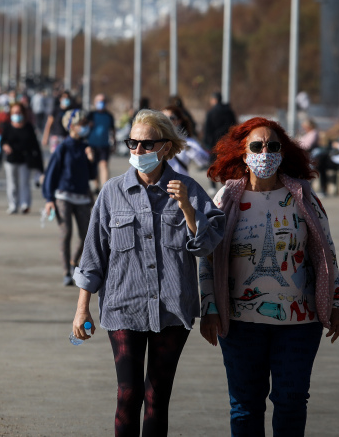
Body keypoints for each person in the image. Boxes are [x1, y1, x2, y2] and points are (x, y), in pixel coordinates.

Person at [71, 109, 225, 437]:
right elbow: (93, 254)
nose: (138, 151)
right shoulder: (112, 192)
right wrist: (82, 307)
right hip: (123, 307)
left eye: (146, 144)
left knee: (157, 396)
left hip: (172, 310)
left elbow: (208, 245)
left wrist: (187, 208)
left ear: (165, 147)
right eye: (133, 144)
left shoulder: (189, 189)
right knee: (128, 392)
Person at [199, 116, 339, 437]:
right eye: (257, 146)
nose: (265, 152)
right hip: (239, 324)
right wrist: (209, 308)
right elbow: (208, 260)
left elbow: (326, 253)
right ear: (242, 152)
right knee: (244, 406)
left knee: (292, 401)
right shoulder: (226, 199)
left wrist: (336, 303)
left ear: (284, 152)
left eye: (273, 146)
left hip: (299, 324)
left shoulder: (302, 196)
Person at [43, 109, 97, 286]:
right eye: (81, 125)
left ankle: (75, 262)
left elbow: (91, 175)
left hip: (82, 196)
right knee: (66, 233)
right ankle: (66, 271)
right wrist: (49, 199)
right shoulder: (63, 148)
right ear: (72, 126)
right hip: (63, 196)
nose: (84, 128)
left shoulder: (85, 147)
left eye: (85, 125)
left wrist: (91, 159)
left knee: (86, 236)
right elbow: (51, 174)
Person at [0, 102, 43, 214]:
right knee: (12, 184)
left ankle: (25, 204)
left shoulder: (28, 127)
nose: (16, 114)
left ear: (23, 113)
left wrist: (39, 165)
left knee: (24, 183)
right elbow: (2, 141)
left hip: (25, 160)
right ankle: (13, 205)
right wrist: (5, 146)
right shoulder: (8, 127)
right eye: (14, 112)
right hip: (11, 160)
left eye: (19, 112)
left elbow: (35, 146)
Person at [162, 105, 210, 176]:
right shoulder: (154, 140)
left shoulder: (187, 141)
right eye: (163, 118)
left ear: (179, 121)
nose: (167, 121)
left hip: (180, 184)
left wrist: (189, 149)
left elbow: (205, 160)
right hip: (159, 184)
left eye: (171, 118)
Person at [86, 93, 116, 188]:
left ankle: (105, 187)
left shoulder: (109, 116)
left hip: (104, 145)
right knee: (94, 167)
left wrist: (114, 143)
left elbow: (112, 130)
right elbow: (85, 128)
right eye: (99, 101)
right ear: (95, 103)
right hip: (92, 144)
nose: (101, 103)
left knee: (104, 165)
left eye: (103, 101)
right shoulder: (91, 115)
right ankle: (96, 185)